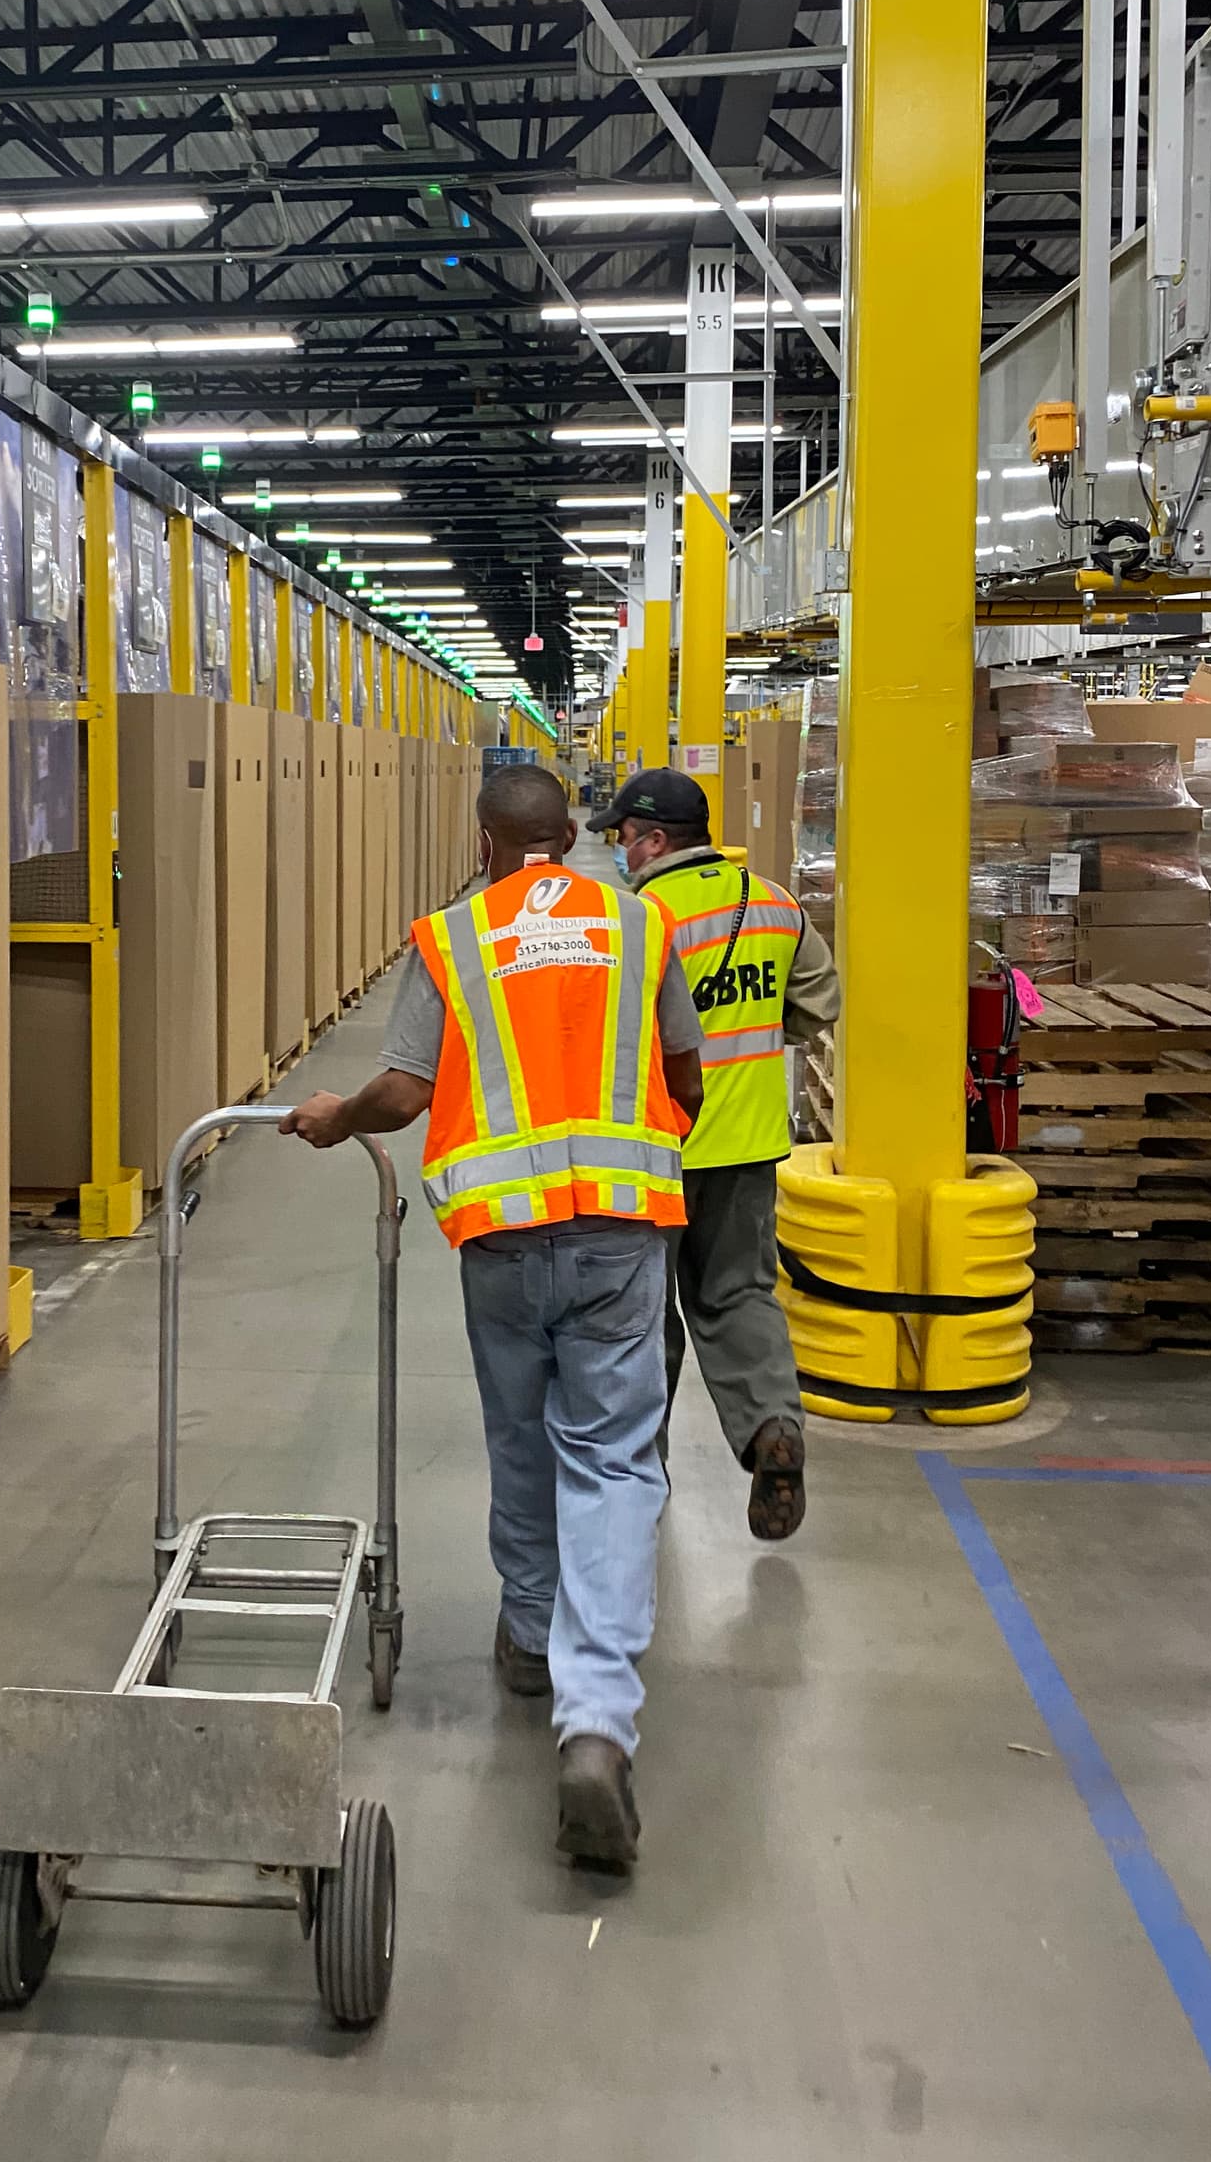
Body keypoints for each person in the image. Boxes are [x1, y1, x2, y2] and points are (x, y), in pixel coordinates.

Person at [282, 764, 704, 1869]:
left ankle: (528, 1631)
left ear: (485, 842)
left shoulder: (456, 937)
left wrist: (333, 1120)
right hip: (620, 1234)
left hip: (502, 1242)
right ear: (571, 838)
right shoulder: (639, 923)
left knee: (520, 1433)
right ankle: (598, 1721)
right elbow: (687, 1077)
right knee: (614, 1461)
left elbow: (407, 1088)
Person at [589, 767, 840, 1539]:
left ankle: (638, 1471)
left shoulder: (640, 916)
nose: (621, 854)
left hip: (657, 1146)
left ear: (655, 839)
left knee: (640, 1318)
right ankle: (772, 1427)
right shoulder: (774, 904)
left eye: (625, 839)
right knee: (739, 1297)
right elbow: (818, 1005)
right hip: (750, 1143)